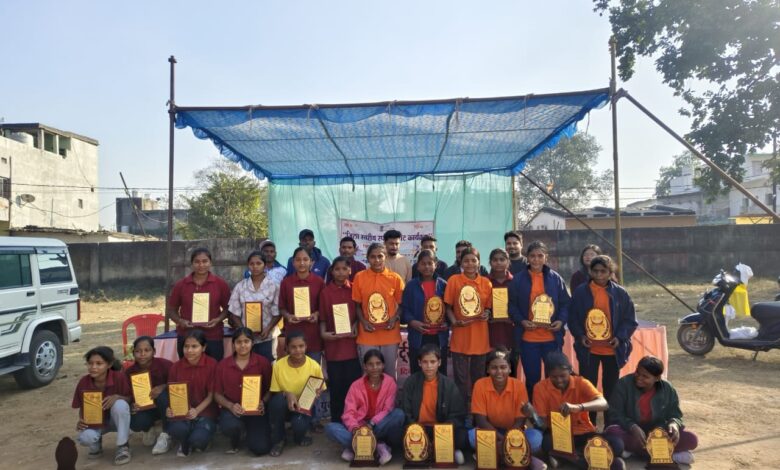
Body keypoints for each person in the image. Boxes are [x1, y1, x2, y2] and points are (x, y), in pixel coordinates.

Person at [569, 255, 638, 424]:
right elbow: (573, 318)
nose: (599, 275)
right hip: (588, 350)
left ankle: (610, 425)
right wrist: (580, 336)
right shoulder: (581, 292)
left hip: (612, 350)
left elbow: (630, 320)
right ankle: (589, 424)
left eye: (603, 271)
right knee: (588, 388)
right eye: (595, 271)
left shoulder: (620, 293)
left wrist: (620, 338)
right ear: (590, 272)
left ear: (610, 272)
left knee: (611, 389)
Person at [533, 352, 625, 470]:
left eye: (563, 376)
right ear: (548, 375)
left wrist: (579, 407)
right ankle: (595, 459)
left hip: (584, 432)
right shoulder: (540, 388)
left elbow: (604, 404)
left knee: (617, 445)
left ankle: (568, 457)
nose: (559, 380)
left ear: (570, 370)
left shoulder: (581, 382)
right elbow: (543, 424)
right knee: (546, 444)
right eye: (554, 377)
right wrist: (533, 415)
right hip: (559, 436)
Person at [605, 356, 698, 465]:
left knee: (691, 439)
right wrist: (632, 426)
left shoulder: (667, 388)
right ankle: (668, 455)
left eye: (645, 376)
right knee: (613, 433)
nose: (639, 377)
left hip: (657, 433)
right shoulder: (623, 384)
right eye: (637, 372)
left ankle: (634, 451)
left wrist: (674, 424)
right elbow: (614, 413)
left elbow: (675, 413)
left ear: (657, 378)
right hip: (631, 432)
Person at [509, 240, 570, 399]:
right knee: (532, 380)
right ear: (527, 257)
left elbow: (565, 304)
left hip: (552, 338)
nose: (536, 259)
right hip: (528, 339)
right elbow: (512, 306)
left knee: (554, 380)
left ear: (546, 257)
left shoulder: (555, 279)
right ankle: (535, 410)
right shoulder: (518, 279)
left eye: (540, 256)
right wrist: (522, 321)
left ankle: (553, 409)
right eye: (532, 256)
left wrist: (560, 321)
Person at [324, 349, 405, 465]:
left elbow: (388, 409)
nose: (375, 367)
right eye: (370, 364)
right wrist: (355, 429)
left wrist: (372, 423)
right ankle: (378, 446)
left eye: (378, 364)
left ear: (383, 365)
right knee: (330, 428)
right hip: (359, 426)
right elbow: (348, 412)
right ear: (365, 367)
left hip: (378, 425)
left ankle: (356, 447)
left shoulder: (390, 382)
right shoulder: (356, 385)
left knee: (398, 414)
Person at [470, 349, 545, 469]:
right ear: (488, 369)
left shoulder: (518, 385)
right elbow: (481, 420)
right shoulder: (480, 384)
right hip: (491, 432)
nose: (499, 372)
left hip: (515, 433)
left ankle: (493, 454)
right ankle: (524, 458)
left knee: (536, 438)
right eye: (494, 368)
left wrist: (508, 440)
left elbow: (520, 421)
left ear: (510, 368)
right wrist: (505, 441)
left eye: (503, 367)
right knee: (472, 436)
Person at [400, 343, 467, 464]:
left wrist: (441, 432)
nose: (429, 366)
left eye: (433, 362)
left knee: (462, 437)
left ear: (439, 362)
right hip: (418, 429)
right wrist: (417, 431)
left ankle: (443, 449)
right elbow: (405, 411)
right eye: (425, 362)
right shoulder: (411, 382)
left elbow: (457, 415)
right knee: (397, 434)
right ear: (419, 363)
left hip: (440, 429)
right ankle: (440, 450)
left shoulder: (448, 384)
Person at [444, 247, 492, 404]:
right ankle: (461, 410)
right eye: (466, 261)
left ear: (479, 262)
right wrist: (454, 321)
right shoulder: (454, 280)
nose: (470, 264)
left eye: (473, 260)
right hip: (460, 336)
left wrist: (487, 313)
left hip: (480, 337)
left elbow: (488, 307)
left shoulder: (486, 283)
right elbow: (448, 307)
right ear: (460, 262)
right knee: (461, 379)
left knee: (479, 378)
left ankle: (478, 408)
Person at [214, 327, 272, 455]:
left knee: (260, 449)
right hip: (233, 410)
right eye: (239, 342)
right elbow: (217, 394)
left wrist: (263, 402)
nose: (243, 345)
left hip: (256, 410)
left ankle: (250, 433)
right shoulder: (223, 365)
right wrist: (230, 406)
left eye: (246, 341)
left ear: (252, 343)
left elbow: (270, 389)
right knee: (230, 426)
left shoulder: (263, 362)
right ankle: (237, 436)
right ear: (233, 344)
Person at [268, 331, 326, 456]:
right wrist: (287, 393)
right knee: (277, 402)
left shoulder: (314, 366)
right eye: (293, 347)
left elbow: (320, 388)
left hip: (303, 407)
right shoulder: (279, 365)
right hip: (284, 406)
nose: (297, 350)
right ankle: (279, 439)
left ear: (306, 347)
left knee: (299, 425)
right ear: (287, 348)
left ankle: (301, 434)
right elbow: (275, 391)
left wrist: (317, 393)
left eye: (301, 346)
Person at [319, 257, 362, 424]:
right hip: (334, 348)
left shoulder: (355, 289)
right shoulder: (325, 292)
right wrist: (324, 334)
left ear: (350, 271)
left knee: (353, 388)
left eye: (344, 269)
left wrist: (356, 325)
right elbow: (323, 319)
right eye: (337, 269)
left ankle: (355, 421)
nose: (341, 272)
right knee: (336, 389)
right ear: (332, 271)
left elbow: (360, 313)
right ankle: (337, 423)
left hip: (352, 347)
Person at [352, 242, 404, 379]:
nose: (377, 260)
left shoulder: (395, 278)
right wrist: (363, 322)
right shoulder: (359, 277)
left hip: (390, 334)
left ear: (385, 257)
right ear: (368, 258)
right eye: (373, 257)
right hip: (367, 334)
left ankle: (390, 395)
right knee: (368, 374)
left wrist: (394, 318)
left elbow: (402, 305)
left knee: (389, 374)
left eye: (380, 256)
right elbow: (357, 305)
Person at [72, 346, 132, 465]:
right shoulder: (83, 382)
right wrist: (81, 420)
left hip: (116, 421)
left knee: (120, 405)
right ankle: (96, 443)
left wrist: (118, 397)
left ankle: (123, 446)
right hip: (96, 423)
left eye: (99, 363)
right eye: (90, 363)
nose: (93, 367)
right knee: (85, 438)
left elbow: (130, 398)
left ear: (109, 365)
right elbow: (82, 407)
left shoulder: (118, 377)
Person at [168, 247, 231, 361]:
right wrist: (180, 321)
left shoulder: (220, 284)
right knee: (187, 368)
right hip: (187, 336)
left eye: (205, 261)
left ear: (210, 263)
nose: (201, 265)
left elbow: (228, 308)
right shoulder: (181, 285)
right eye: (197, 262)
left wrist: (218, 320)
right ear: (191, 264)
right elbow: (171, 310)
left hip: (213, 336)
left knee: (214, 368)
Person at [165, 329, 219, 457]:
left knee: (199, 440)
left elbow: (211, 395)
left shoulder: (212, 364)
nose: (189, 350)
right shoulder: (175, 367)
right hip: (182, 413)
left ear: (203, 347)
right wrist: (169, 408)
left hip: (206, 412)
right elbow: (172, 393)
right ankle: (184, 442)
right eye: (186, 346)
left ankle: (200, 438)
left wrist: (196, 411)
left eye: (194, 346)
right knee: (177, 430)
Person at [402, 249, 449, 375]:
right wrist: (412, 322)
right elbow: (404, 309)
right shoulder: (411, 286)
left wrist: (447, 323)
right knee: (418, 371)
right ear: (418, 266)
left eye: (430, 263)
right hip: (418, 336)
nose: (427, 266)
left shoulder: (444, 285)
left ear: (436, 264)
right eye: (423, 263)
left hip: (439, 336)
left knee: (439, 372)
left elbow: (450, 308)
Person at [229, 250, 281, 363]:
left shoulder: (274, 286)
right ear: (248, 266)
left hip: (266, 337)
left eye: (258, 263)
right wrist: (244, 332)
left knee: (266, 366)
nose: (255, 266)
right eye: (252, 264)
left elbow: (277, 312)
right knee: (247, 367)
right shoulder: (240, 286)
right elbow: (234, 312)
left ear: (265, 265)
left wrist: (268, 329)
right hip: (245, 340)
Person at [125, 336, 173, 455]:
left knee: (162, 395)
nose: (142, 354)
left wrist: (163, 386)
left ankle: (166, 433)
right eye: (138, 351)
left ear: (154, 351)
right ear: (133, 353)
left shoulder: (166, 365)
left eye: (147, 350)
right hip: (145, 409)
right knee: (135, 422)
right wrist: (132, 405)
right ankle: (148, 429)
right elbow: (127, 394)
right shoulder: (129, 372)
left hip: (165, 406)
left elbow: (177, 384)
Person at [279, 247, 325, 362]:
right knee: (293, 367)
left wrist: (316, 314)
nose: (302, 263)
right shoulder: (286, 283)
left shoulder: (319, 282)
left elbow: (323, 307)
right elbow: (282, 307)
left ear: (311, 262)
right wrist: (288, 316)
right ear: (293, 262)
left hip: (313, 334)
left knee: (313, 368)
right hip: (293, 333)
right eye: (298, 260)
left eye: (305, 259)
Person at [488, 249, 516, 367]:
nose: (498, 262)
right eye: (495, 260)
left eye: (502, 259)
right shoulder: (485, 282)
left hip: (511, 329)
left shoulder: (515, 281)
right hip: (490, 330)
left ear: (508, 262)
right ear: (490, 262)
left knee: (510, 364)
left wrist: (513, 317)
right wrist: (487, 315)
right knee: (491, 364)